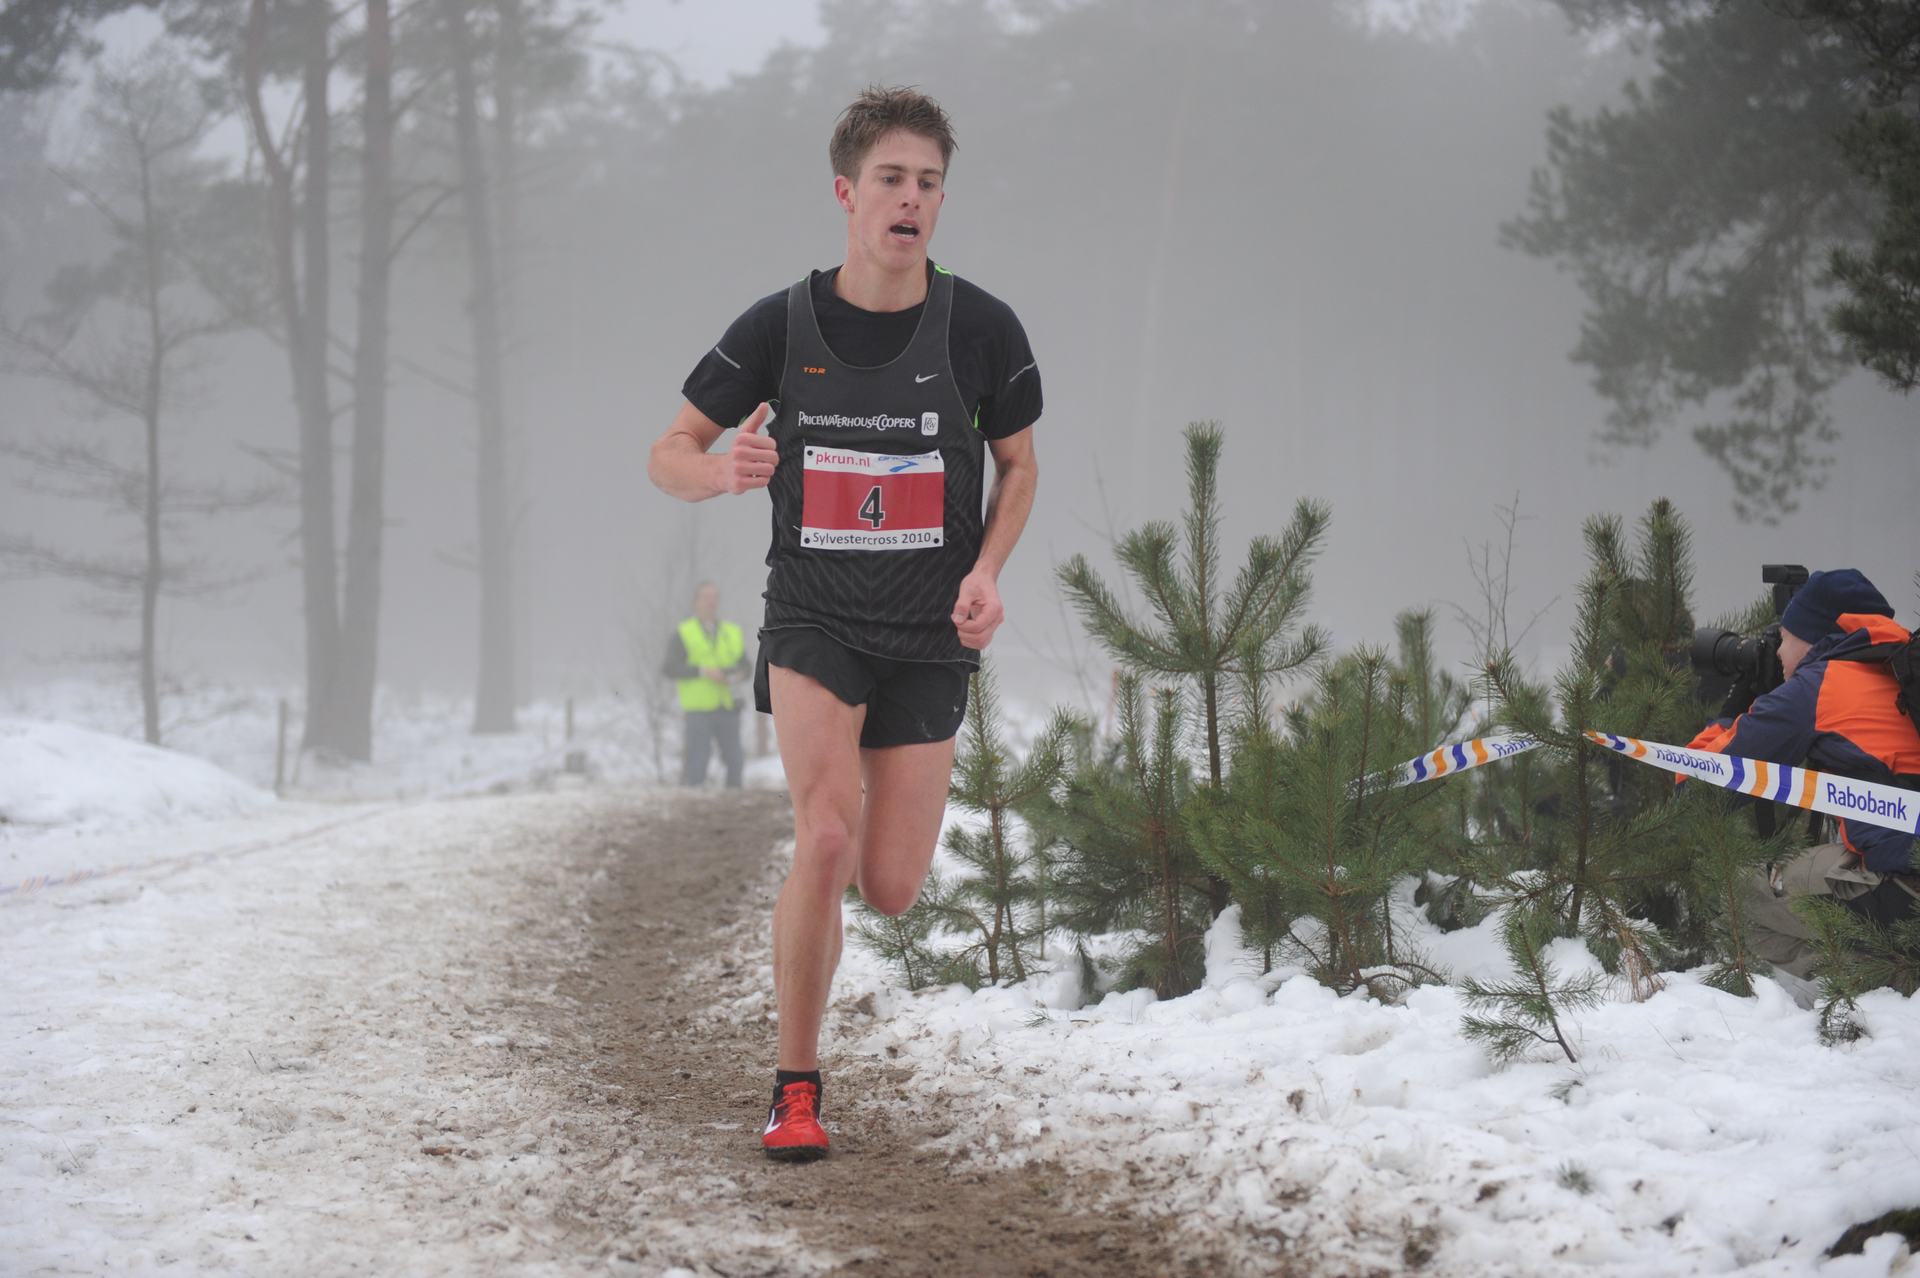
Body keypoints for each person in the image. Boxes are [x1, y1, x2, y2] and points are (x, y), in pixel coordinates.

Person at [646, 86, 1042, 1161]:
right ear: (845, 192)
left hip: (929, 634)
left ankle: (829, 905)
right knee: (822, 836)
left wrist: (988, 570)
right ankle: (795, 1089)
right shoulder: (779, 326)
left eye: (928, 183)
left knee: (891, 886)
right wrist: (722, 469)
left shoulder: (983, 329)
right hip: (814, 616)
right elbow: (667, 452)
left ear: (941, 200)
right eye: (890, 179)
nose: (910, 199)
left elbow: (1018, 466)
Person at [1687, 569, 1920, 981]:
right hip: (1906, 879)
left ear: (1813, 638)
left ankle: (1886, 982)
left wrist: (1736, 705)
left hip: (1901, 892)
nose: (1778, 651)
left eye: (1784, 637)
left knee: (1734, 891)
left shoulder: (1821, 685)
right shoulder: (1901, 665)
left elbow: (1698, 788)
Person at [662, 580, 747, 788]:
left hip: (728, 705)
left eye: (714, 597)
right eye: (706, 597)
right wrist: (703, 671)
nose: (711, 602)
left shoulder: (732, 632)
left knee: (735, 760)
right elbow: (669, 667)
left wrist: (734, 675)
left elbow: (746, 665)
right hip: (698, 709)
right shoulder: (683, 632)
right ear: (695, 602)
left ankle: (734, 800)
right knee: (697, 762)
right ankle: (695, 801)